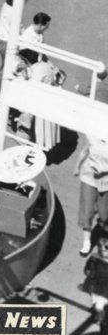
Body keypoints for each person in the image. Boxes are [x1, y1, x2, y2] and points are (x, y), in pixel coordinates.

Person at [75, 71, 108, 257]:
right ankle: (86, 242)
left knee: (105, 214)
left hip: (107, 178)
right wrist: (78, 165)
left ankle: (104, 236)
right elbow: (86, 149)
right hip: (89, 174)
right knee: (86, 210)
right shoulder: (93, 130)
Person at [0, 0, 29, 95]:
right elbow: (12, 30)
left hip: (3, 40)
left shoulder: (7, 6)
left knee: (6, 64)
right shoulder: (11, 12)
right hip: (7, 42)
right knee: (8, 66)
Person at [83, 227, 108, 335]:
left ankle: (103, 322)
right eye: (99, 245)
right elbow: (87, 269)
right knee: (96, 304)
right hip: (97, 285)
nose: (102, 248)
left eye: (106, 247)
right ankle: (100, 316)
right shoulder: (95, 257)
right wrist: (88, 270)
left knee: (99, 306)